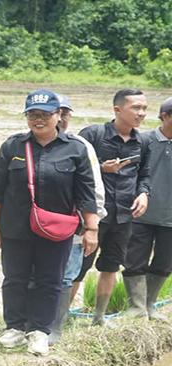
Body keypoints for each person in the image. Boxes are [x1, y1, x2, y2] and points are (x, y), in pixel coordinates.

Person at [0, 90, 98, 356]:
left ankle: (39, 332)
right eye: (33, 115)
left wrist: (92, 229)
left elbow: (86, 194)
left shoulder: (75, 149)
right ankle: (14, 328)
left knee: (51, 281)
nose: (39, 120)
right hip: (15, 228)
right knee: (15, 279)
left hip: (57, 231)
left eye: (46, 114)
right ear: (27, 118)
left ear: (59, 115)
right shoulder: (12, 146)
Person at [76, 89, 151, 325]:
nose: (141, 113)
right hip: (93, 215)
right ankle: (58, 320)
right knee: (78, 268)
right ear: (117, 109)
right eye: (136, 108)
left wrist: (144, 193)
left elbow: (145, 174)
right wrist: (100, 167)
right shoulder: (93, 134)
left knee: (110, 266)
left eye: (144, 108)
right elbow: (73, 168)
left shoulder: (143, 142)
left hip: (124, 216)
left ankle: (98, 317)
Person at [48, 96, 108, 345]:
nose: (61, 117)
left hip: (72, 225)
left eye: (65, 113)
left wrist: (91, 226)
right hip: (34, 225)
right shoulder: (24, 142)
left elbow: (94, 189)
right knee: (33, 275)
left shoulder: (81, 145)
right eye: (56, 112)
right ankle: (29, 324)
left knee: (66, 276)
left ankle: (55, 328)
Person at [121, 97, 172, 321]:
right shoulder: (143, 140)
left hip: (170, 218)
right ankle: (136, 307)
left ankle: (150, 305)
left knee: (165, 262)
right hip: (140, 214)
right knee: (134, 260)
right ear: (165, 116)